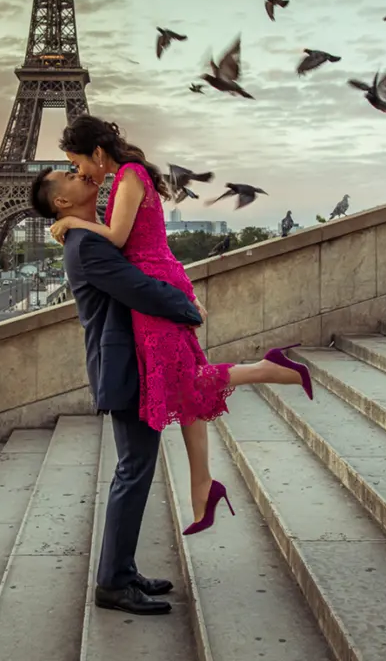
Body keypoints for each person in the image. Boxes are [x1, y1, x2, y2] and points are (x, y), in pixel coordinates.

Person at [44, 115, 315, 535]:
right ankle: (202, 487)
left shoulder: (129, 176)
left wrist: (73, 222)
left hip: (152, 291)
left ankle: (267, 368)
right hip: (155, 283)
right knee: (187, 392)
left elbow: (116, 239)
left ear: (96, 153)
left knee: (188, 381)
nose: (78, 172)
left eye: (75, 162)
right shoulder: (124, 178)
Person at [29, 165, 198, 617]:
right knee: (134, 469)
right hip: (124, 366)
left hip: (127, 362)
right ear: (60, 202)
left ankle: (120, 570)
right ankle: (112, 582)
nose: (76, 172)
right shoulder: (86, 245)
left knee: (135, 467)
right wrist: (187, 306)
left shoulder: (88, 236)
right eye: (65, 173)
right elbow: (138, 288)